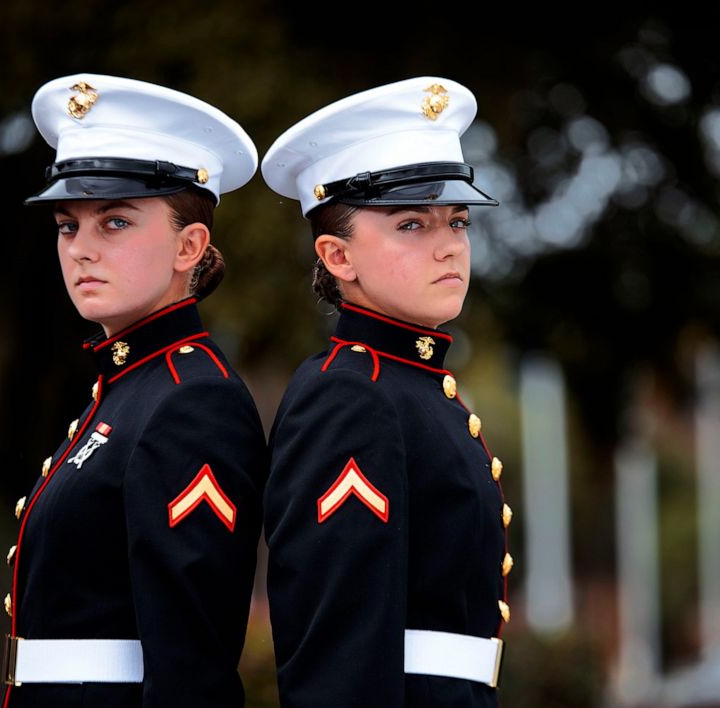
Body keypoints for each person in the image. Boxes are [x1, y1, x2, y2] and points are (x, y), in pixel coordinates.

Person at [1, 73, 267, 708]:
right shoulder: (128, 387)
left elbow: (192, 668)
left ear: (190, 245)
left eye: (114, 222)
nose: (82, 249)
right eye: (68, 226)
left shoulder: (191, 400)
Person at [261, 77, 515, 707]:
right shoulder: (351, 397)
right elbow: (337, 657)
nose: (449, 245)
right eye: (410, 224)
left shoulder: (414, 386)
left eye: (456, 220)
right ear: (337, 257)